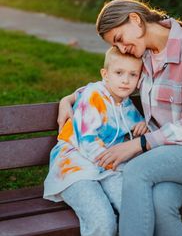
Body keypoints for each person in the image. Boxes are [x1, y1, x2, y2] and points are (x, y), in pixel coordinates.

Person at [58, 0, 182, 236]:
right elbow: (115, 85)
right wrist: (69, 99)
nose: (121, 48)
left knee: (136, 169)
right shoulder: (146, 55)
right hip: (175, 154)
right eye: (115, 45)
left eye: (119, 38)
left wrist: (141, 143)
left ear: (135, 19)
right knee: (160, 202)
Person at [44, 46, 147, 236]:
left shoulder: (125, 103)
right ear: (105, 74)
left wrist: (142, 127)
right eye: (119, 73)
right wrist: (114, 163)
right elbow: (87, 140)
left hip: (107, 167)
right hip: (74, 166)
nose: (125, 80)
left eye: (133, 74)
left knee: (133, 210)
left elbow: (135, 123)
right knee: (103, 221)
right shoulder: (93, 96)